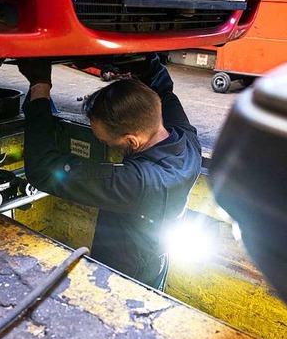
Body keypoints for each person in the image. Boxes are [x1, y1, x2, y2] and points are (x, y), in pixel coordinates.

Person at [17, 54, 202, 290]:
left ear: (131, 142)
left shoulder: (137, 183)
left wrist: (40, 86)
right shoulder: (186, 140)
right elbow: (162, 87)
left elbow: (43, 169)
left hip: (125, 276)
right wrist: (131, 55)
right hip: (156, 259)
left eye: (106, 141)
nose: (104, 144)